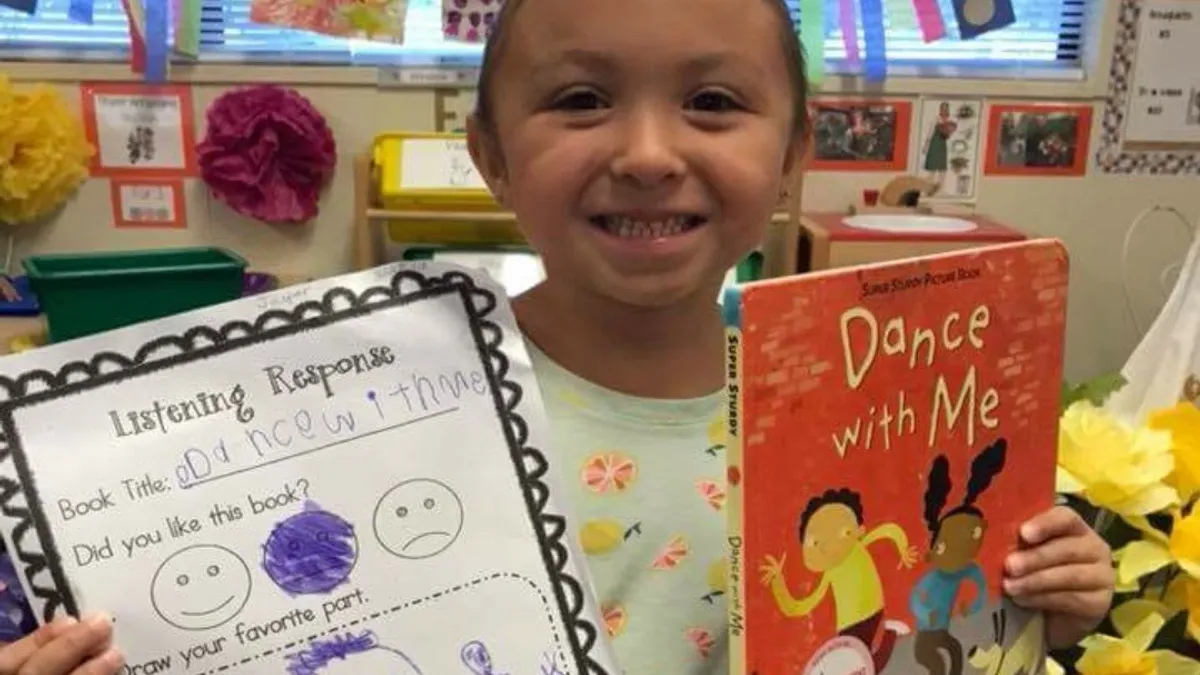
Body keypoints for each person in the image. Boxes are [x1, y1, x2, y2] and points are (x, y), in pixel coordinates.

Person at [0, 0, 1116, 673]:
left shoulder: (857, 413)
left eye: (714, 103)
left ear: (790, 158)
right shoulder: (374, 403)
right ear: (490, 155)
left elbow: (923, 624)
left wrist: (1042, 601)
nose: (643, 151)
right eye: (580, 100)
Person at [760, 488, 915, 672]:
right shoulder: (830, 572)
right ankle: (890, 632)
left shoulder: (859, 545)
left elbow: (888, 530)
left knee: (869, 665)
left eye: (841, 532)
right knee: (862, 666)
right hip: (849, 625)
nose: (827, 546)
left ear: (859, 530)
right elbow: (798, 606)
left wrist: (903, 548)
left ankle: (890, 631)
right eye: (815, 543)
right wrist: (778, 581)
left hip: (873, 612)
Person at [909, 439, 1006, 675]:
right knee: (936, 665)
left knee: (954, 652)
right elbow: (915, 598)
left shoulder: (965, 569)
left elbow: (980, 583)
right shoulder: (934, 578)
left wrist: (973, 605)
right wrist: (924, 613)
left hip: (943, 631)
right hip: (925, 637)